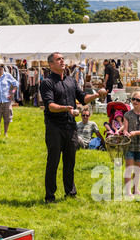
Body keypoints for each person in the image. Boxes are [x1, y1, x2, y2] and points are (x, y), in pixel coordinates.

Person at [40, 51, 107, 204]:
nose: (62, 61)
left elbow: (82, 98)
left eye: (63, 58)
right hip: (54, 126)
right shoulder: (47, 83)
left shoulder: (71, 80)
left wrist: (96, 95)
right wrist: (67, 108)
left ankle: (70, 193)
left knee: (70, 162)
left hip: (70, 127)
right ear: (51, 64)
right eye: (58, 59)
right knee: (53, 162)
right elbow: (49, 106)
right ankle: (50, 197)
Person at [0, 61, 19, 137]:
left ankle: (5, 133)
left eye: (2, 66)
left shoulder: (8, 75)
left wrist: (12, 92)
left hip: (6, 100)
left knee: (7, 117)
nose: (0, 68)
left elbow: (16, 84)